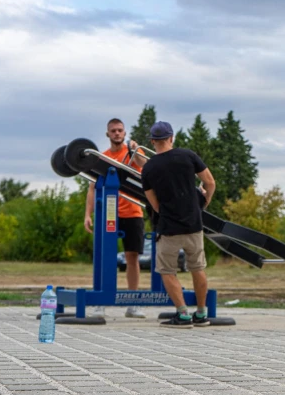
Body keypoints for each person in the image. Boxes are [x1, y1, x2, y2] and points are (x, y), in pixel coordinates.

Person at [141, 121, 216, 327]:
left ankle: (182, 314)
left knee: (167, 271)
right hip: (194, 224)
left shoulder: (149, 167)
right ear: (171, 138)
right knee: (197, 267)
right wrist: (203, 203)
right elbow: (209, 182)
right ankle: (201, 314)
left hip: (168, 228)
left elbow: (154, 203)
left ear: (152, 141)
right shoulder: (188, 156)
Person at [84, 118, 147, 319]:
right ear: (108, 134)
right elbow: (92, 187)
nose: (117, 133)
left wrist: (136, 151)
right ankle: (101, 302)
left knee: (132, 257)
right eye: (113, 131)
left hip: (133, 212)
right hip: (110, 213)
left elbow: (145, 168)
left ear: (125, 133)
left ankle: (133, 303)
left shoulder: (134, 153)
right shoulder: (102, 158)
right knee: (106, 257)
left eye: (120, 130)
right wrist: (88, 214)